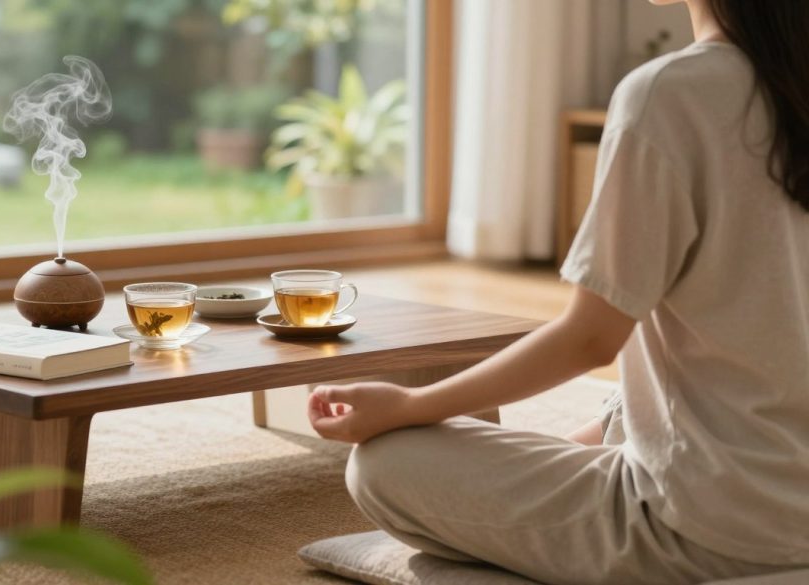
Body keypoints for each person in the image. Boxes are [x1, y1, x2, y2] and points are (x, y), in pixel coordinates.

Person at [306, 1, 809, 583]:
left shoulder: (670, 94)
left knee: (383, 465)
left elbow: (591, 339)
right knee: (632, 396)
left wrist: (412, 404)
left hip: (715, 531)